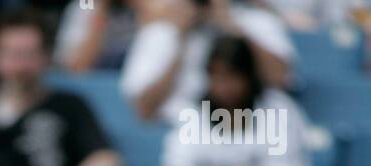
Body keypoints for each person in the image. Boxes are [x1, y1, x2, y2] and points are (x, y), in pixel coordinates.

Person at [0, 6, 123, 166]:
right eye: (10, 54)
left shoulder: (69, 106)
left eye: (28, 54)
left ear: (46, 56)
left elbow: (105, 158)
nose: (19, 65)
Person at [162, 35, 311, 166]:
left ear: (249, 77)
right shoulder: (192, 114)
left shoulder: (278, 111)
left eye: (232, 76)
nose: (224, 86)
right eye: (216, 76)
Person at [120, 0, 294, 124]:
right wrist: (180, 41)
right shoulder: (160, 33)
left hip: (248, 130)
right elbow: (144, 109)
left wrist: (230, 26)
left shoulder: (257, 22)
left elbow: (279, 79)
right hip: (179, 132)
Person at [54, 0, 140, 72]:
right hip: (94, 83)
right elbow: (76, 68)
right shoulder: (86, 4)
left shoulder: (144, 7)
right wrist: (101, 9)